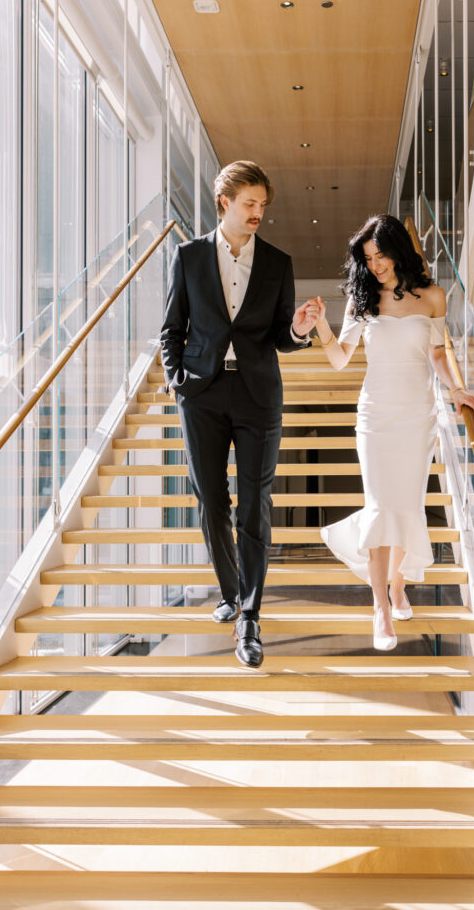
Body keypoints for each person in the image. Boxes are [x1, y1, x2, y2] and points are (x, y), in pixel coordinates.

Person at [160, 160, 320, 667]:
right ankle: (230, 593)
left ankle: (249, 616)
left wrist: (297, 328)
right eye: (249, 204)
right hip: (201, 394)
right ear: (224, 202)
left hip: (257, 395)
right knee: (211, 501)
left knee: (255, 505)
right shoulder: (187, 257)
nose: (258, 214)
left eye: (262, 206)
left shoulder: (277, 263)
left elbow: (281, 338)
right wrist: (173, 377)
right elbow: (172, 327)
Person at [312, 214, 474, 651]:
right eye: (368, 259)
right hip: (376, 416)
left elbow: (439, 353)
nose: (375, 266)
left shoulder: (433, 297)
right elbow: (340, 358)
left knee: (406, 508)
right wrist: (323, 327)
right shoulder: (361, 299)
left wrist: (456, 389)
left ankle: (399, 581)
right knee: (382, 506)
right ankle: (380, 607)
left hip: (418, 415)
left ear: (399, 250)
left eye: (381, 255)